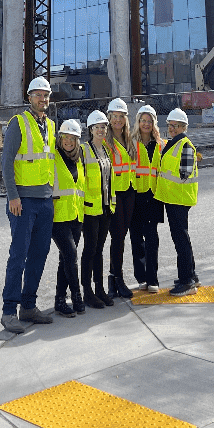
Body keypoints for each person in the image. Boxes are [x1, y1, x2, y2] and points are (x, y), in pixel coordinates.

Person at [0, 76, 59, 333]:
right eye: (38, 95)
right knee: (18, 256)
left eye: (46, 95)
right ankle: (9, 311)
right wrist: (13, 196)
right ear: (29, 97)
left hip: (45, 200)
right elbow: (7, 162)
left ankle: (29, 306)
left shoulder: (51, 125)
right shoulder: (18, 123)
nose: (42, 99)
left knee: (39, 254)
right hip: (23, 201)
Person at [155, 107, 199, 297]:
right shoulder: (174, 143)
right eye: (170, 125)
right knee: (182, 238)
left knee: (181, 240)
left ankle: (186, 281)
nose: (171, 128)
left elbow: (184, 173)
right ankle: (191, 275)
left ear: (183, 127)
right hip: (174, 198)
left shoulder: (185, 145)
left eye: (176, 126)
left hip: (179, 199)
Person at [50, 119, 89, 317]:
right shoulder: (53, 156)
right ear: (60, 138)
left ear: (77, 140)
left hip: (76, 215)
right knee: (71, 255)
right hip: (57, 216)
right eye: (65, 137)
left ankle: (59, 300)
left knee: (65, 259)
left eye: (72, 138)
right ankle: (76, 296)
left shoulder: (79, 159)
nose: (68, 142)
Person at [80, 110, 115, 309]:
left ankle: (99, 289)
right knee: (90, 250)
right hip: (90, 210)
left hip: (105, 208)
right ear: (90, 129)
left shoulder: (107, 151)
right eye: (97, 127)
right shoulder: (84, 149)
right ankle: (87, 292)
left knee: (99, 250)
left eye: (103, 127)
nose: (100, 130)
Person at [104, 97, 137, 300]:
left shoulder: (129, 139)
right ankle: (116, 279)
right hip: (114, 194)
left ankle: (113, 279)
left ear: (126, 118)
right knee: (117, 237)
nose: (117, 120)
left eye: (121, 116)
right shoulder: (106, 140)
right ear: (109, 118)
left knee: (121, 237)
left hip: (129, 192)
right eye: (114, 116)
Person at [132, 104, 164, 294]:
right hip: (135, 196)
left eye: (149, 121)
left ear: (154, 123)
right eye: (143, 120)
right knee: (136, 238)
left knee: (152, 238)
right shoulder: (131, 142)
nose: (146, 124)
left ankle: (153, 278)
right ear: (138, 122)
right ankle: (141, 277)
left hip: (153, 197)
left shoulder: (161, 144)